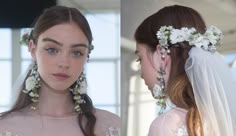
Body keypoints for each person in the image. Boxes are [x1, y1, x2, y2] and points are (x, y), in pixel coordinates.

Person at [0, 6, 120, 136]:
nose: (64, 63)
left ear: (87, 56)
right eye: (52, 50)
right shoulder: (5, 126)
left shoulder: (111, 126)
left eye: (76, 52)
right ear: (33, 50)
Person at [134, 5, 236, 136]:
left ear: (162, 55)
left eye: (139, 59)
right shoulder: (222, 120)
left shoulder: (167, 126)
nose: (141, 74)